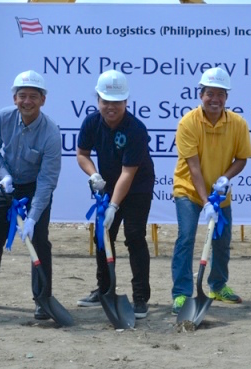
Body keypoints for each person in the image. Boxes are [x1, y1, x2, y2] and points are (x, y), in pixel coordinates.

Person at [0, 70, 62, 320]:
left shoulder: (50, 133)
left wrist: (33, 217)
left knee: (39, 240)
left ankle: (41, 298)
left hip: (36, 187)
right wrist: (2, 174)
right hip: (6, 185)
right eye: (22, 95)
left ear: (43, 100)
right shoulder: (3, 118)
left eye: (33, 96)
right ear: (15, 98)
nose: (27, 101)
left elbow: (47, 180)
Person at [170, 67, 251, 315]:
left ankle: (217, 286)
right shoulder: (188, 123)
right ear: (201, 94)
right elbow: (193, 167)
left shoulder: (238, 124)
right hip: (188, 190)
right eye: (210, 93)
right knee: (186, 237)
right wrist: (206, 202)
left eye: (220, 94)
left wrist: (225, 179)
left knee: (222, 240)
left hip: (220, 193)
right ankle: (182, 293)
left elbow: (242, 158)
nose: (215, 99)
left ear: (226, 97)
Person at [76, 70, 155, 319]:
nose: (111, 106)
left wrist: (113, 206)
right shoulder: (91, 122)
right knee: (103, 237)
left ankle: (140, 297)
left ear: (126, 102)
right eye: (106, 101)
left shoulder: (136, 129)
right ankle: (104, 290)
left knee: (134, 235)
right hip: (109, 183)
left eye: (117, 101)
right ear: (98, 99)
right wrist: (93, 175)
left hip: (138, 186)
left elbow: (128, 174)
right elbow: (82, 154)